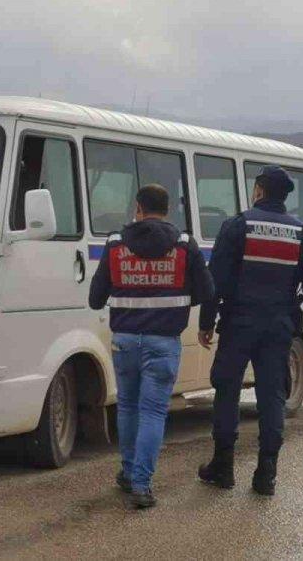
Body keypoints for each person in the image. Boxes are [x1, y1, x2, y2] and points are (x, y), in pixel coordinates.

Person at [196, 165, 303, 497]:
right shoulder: (300, 234)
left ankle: (223, 467)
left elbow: (215, 281)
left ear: (258, 190)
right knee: (272, 396)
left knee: (227, 390)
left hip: (239, 324)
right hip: (278, 328)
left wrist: (206, 323)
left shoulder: (238, 226)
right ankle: (266, 474)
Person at [87, 184, 214, 509]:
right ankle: (141, 485)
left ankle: (129, 473)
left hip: (125, 341)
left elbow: (95, 299)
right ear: (167, 210)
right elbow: (206, 291)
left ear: (138, 209)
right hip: (164, 342)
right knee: (153, 412)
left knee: (127, 407)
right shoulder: (184, 245)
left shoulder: (115, 244)